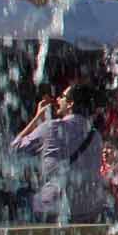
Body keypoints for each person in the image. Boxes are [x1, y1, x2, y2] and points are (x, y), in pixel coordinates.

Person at [13, 82, 109, 223]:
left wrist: (37, 118)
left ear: (70, 104)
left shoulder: (52, 127)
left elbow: (15, 149)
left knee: (19, 195)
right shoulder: (96, 136)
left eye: (62, 96)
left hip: (55, 209)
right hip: (89, 210)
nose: (58, 99)